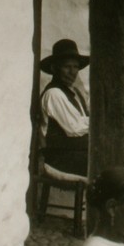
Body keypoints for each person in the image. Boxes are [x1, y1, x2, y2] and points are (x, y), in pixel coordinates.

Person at [40, 38, 90, 179]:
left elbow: (82, 121)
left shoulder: (74, 93)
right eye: (67, 67)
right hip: (59, 159)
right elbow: (75, 128)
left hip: (75, 152)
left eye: (75, 67)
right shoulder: (54, 93)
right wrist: (98, 123)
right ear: (54, 68)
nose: (72, 72)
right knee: (110, 162)